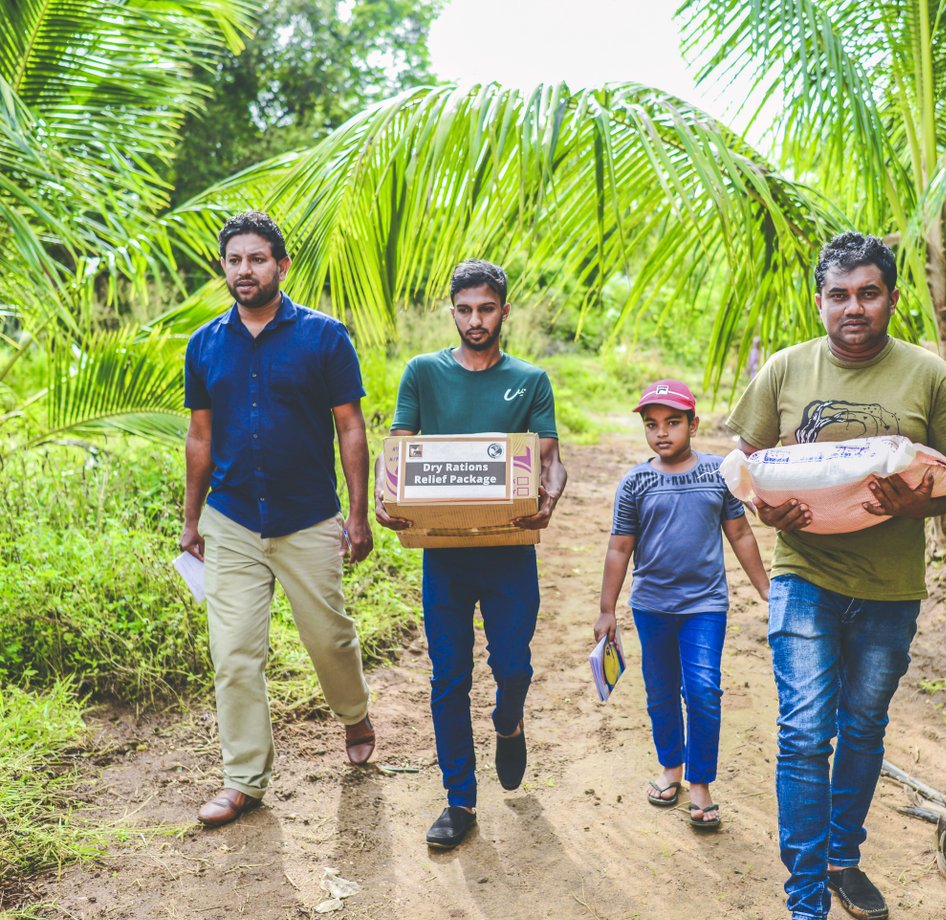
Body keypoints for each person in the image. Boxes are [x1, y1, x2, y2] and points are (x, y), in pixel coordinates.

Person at [727, 232, 946, 920]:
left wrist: (917, 508)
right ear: (820, 301)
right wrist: (762, 507)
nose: (853, 307)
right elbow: (744, 467)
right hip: (804, 575)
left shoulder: (927, 377)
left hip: (890, 590)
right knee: (806, 737)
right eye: (839, 295)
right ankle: (807, 912)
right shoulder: (784, 371)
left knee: (864, 731)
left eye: (868, 293)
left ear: (892, 298)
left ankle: (844, 858)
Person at [180, 211, 377, 828]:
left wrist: (358, 514)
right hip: (232, 519)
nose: (245, 270)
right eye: (235, 260)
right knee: (235, 653)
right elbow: (199, 437)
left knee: (329, 638)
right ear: (224, 267)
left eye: (257, 259)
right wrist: (191, 522)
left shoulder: (324, 337)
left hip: (308, 518)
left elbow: (350, 427)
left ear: (281, 266)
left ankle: (354, 714)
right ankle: (244, 780)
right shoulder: (205, 344)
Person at [374, 259, 567, 850]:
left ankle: (508, 721)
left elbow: (549, 459)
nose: (475, 320)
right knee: (448, 678)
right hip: (445, 553)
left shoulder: (530, 379)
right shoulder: (422, 373)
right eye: (464, 309)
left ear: (504, 311)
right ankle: (459, 799)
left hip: (510, 551)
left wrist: (551, 495)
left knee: (513, 667)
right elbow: (401, 451)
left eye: (486, 309)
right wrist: (387, 492)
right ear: (452, 311)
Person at [594, 380, 770, 830]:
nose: (662, 433)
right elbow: (619, 549)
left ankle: (700, 783)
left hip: (704, 607)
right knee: (661, 691)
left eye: (673, 423)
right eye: (652, 425)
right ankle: (670, 767)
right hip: (651, 607)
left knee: (704, 691)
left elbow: (741, 534)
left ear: (693, 424)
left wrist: (766, 589)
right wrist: (607, 609)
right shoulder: (636, 482)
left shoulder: (719, 473)